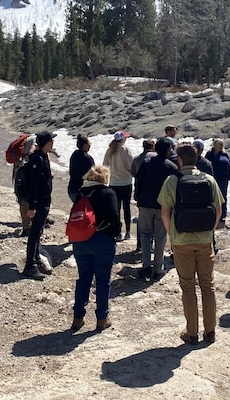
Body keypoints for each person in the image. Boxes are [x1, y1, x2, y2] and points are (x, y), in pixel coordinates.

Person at [159, 144, 223, 345]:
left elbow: (165, 212)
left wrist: (173, 234)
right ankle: (210, 332)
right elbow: (218, 211)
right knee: (208, 285)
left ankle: (192, 333)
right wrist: (209, 232)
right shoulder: (209, 180)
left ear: (179, 160)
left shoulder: (172, 181)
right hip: (205, 240)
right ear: (197, 159)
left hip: (182, 241)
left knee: (188, 286)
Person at [71, 165, 121, 332]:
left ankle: (78, 317)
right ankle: (102, 318)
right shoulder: (108, 193)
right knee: (102, 280)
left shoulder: (81, 193)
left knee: (83, 278)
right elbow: (114, 218)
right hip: (102, 241)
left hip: (81, 240)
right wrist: (114, 235)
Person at [134, 138, 177, 280]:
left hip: (145, 204)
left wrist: (137, 198)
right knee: (160, 236)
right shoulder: (171, 167)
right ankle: (158, 268)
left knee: (145, 235)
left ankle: (146, 266)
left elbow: (138, 181)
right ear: (167, 150)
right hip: (162, 207)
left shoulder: (146, 163)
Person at [22, 130, 57, 280]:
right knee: (34, 233)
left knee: (38, 232)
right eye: (51, 141)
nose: (53, 144)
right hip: (38, 203)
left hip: (42, 202)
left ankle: (35, 260)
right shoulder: (37, 159)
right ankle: (30, 266)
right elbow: (33, 184)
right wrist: (32, 206)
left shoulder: (41, 157)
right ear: (48, 143)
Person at [103, 131, 134, 241]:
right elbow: (131, 165)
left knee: (116, 209)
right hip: (126, 182)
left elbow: (105, 166)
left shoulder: (110, 150)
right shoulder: (126, 149)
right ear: (122, 139)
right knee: (127, 207)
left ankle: (118, 232)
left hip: (114, 182)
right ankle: (128, 232)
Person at [206, 138, 230, 226]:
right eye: (220, 144)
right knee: (214, 196)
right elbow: (206, 165)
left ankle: (223, 215)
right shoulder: (210, 154)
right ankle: (213, 213)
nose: (222, 146)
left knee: (223, 196)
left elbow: (229, 165)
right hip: (214, 178)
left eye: (222, 144)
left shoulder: (224, 154)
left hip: (224, 179)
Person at [13, 133, 36, 237]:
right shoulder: (35, 140)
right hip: (28, 170)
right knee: (31, 198)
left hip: (18, 169)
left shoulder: (25, 139)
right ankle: (28, 226)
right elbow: (32, 152)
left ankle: (26, 225)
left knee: (22, 199)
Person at [68, 134, 94, 203]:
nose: (90, 145)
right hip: (82, 191)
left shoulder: (74, 155)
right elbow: (92, 175)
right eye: (89, 143)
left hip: (72, 189)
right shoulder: (87, 158)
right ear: (85, 145)